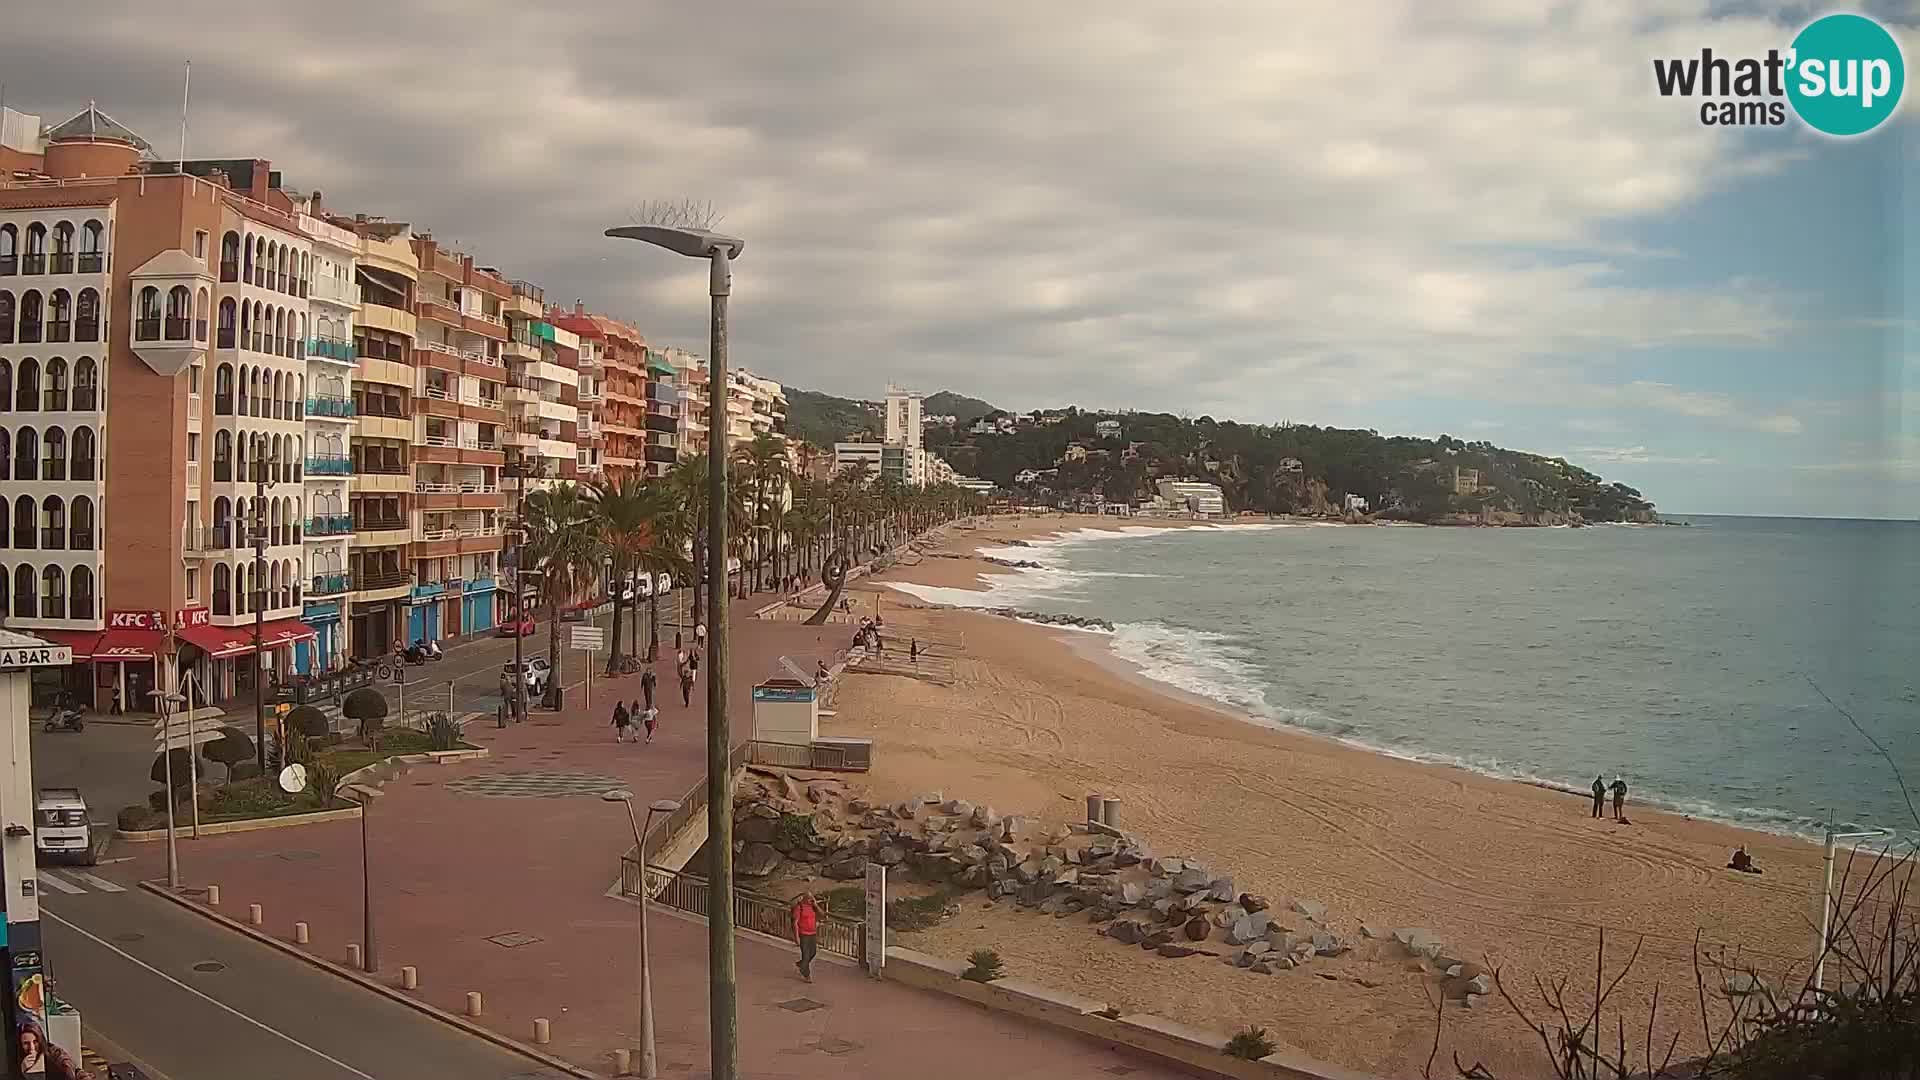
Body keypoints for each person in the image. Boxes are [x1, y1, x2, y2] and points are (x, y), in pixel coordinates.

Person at [790, 890, 820, 982]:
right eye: (809, 898)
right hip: (804, 935)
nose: (811, 900)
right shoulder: (799, 908)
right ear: (805, 899)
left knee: (813, 952)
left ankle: (802, 964)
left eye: (812, 898)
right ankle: (806, 974)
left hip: (813, 933)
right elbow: (795, 923)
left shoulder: (813, 906)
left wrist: (816, 905)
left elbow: (822, 915)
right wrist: (797, 938)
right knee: (806, 955)